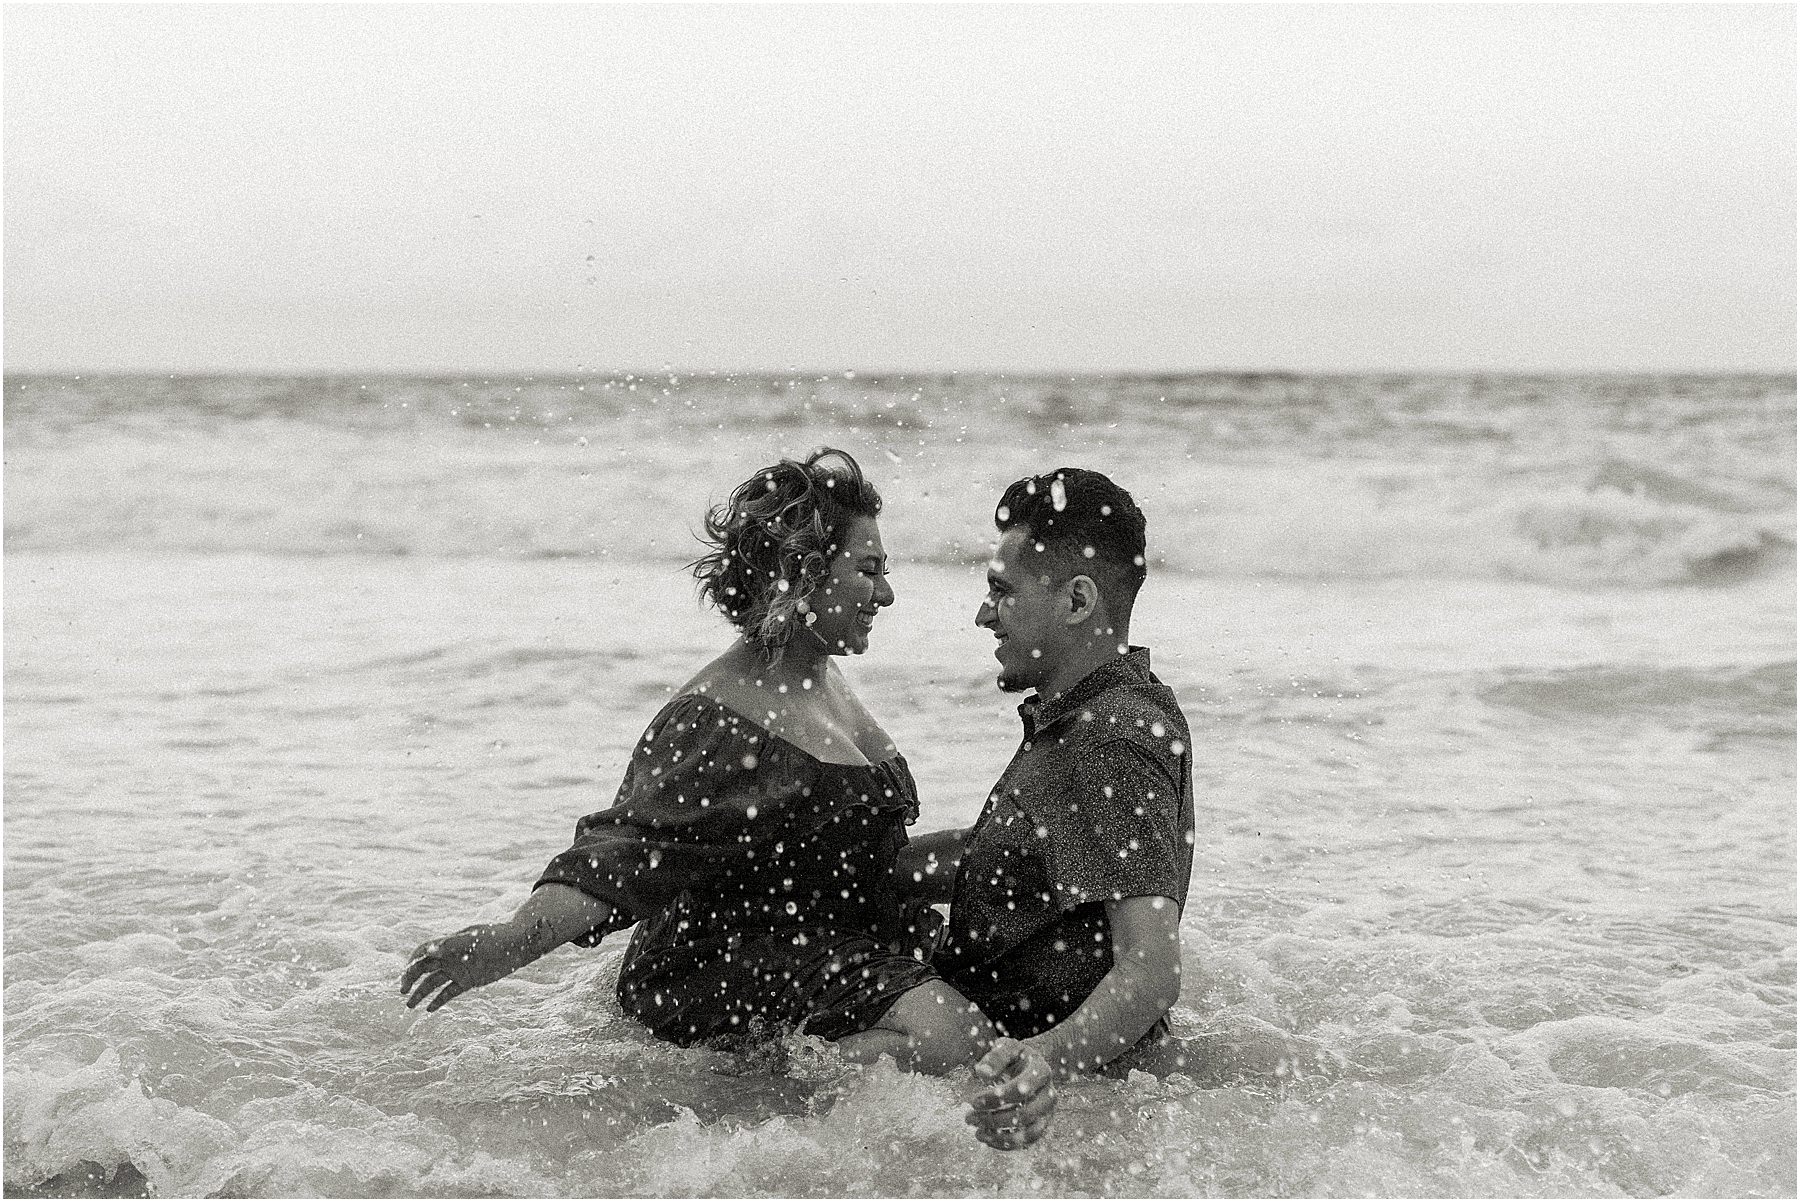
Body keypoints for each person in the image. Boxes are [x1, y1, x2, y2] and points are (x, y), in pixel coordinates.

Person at [399, 448, 1055, 1150]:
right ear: (800, 574)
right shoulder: (721, 720)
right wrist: (508, 943)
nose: (886, 594)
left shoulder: (818, 678)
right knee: (959, 1041)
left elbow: (857, 845)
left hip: (821, 942)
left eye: (884, 571)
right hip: (726, 965)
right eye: (868, 571)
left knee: (1007, 1003)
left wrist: (1004, 853)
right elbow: (619, 855)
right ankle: (736, 1101)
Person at [897, 467, 1194, 1085]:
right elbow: (1026, 861)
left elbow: (1150, 970)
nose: (984, 614)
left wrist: (1042, 1064)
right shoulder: (1085, 714)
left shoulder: (1113, 739)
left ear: (1078, 601)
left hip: (1060, 1090)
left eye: (1002, 590)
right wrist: (864, 869)